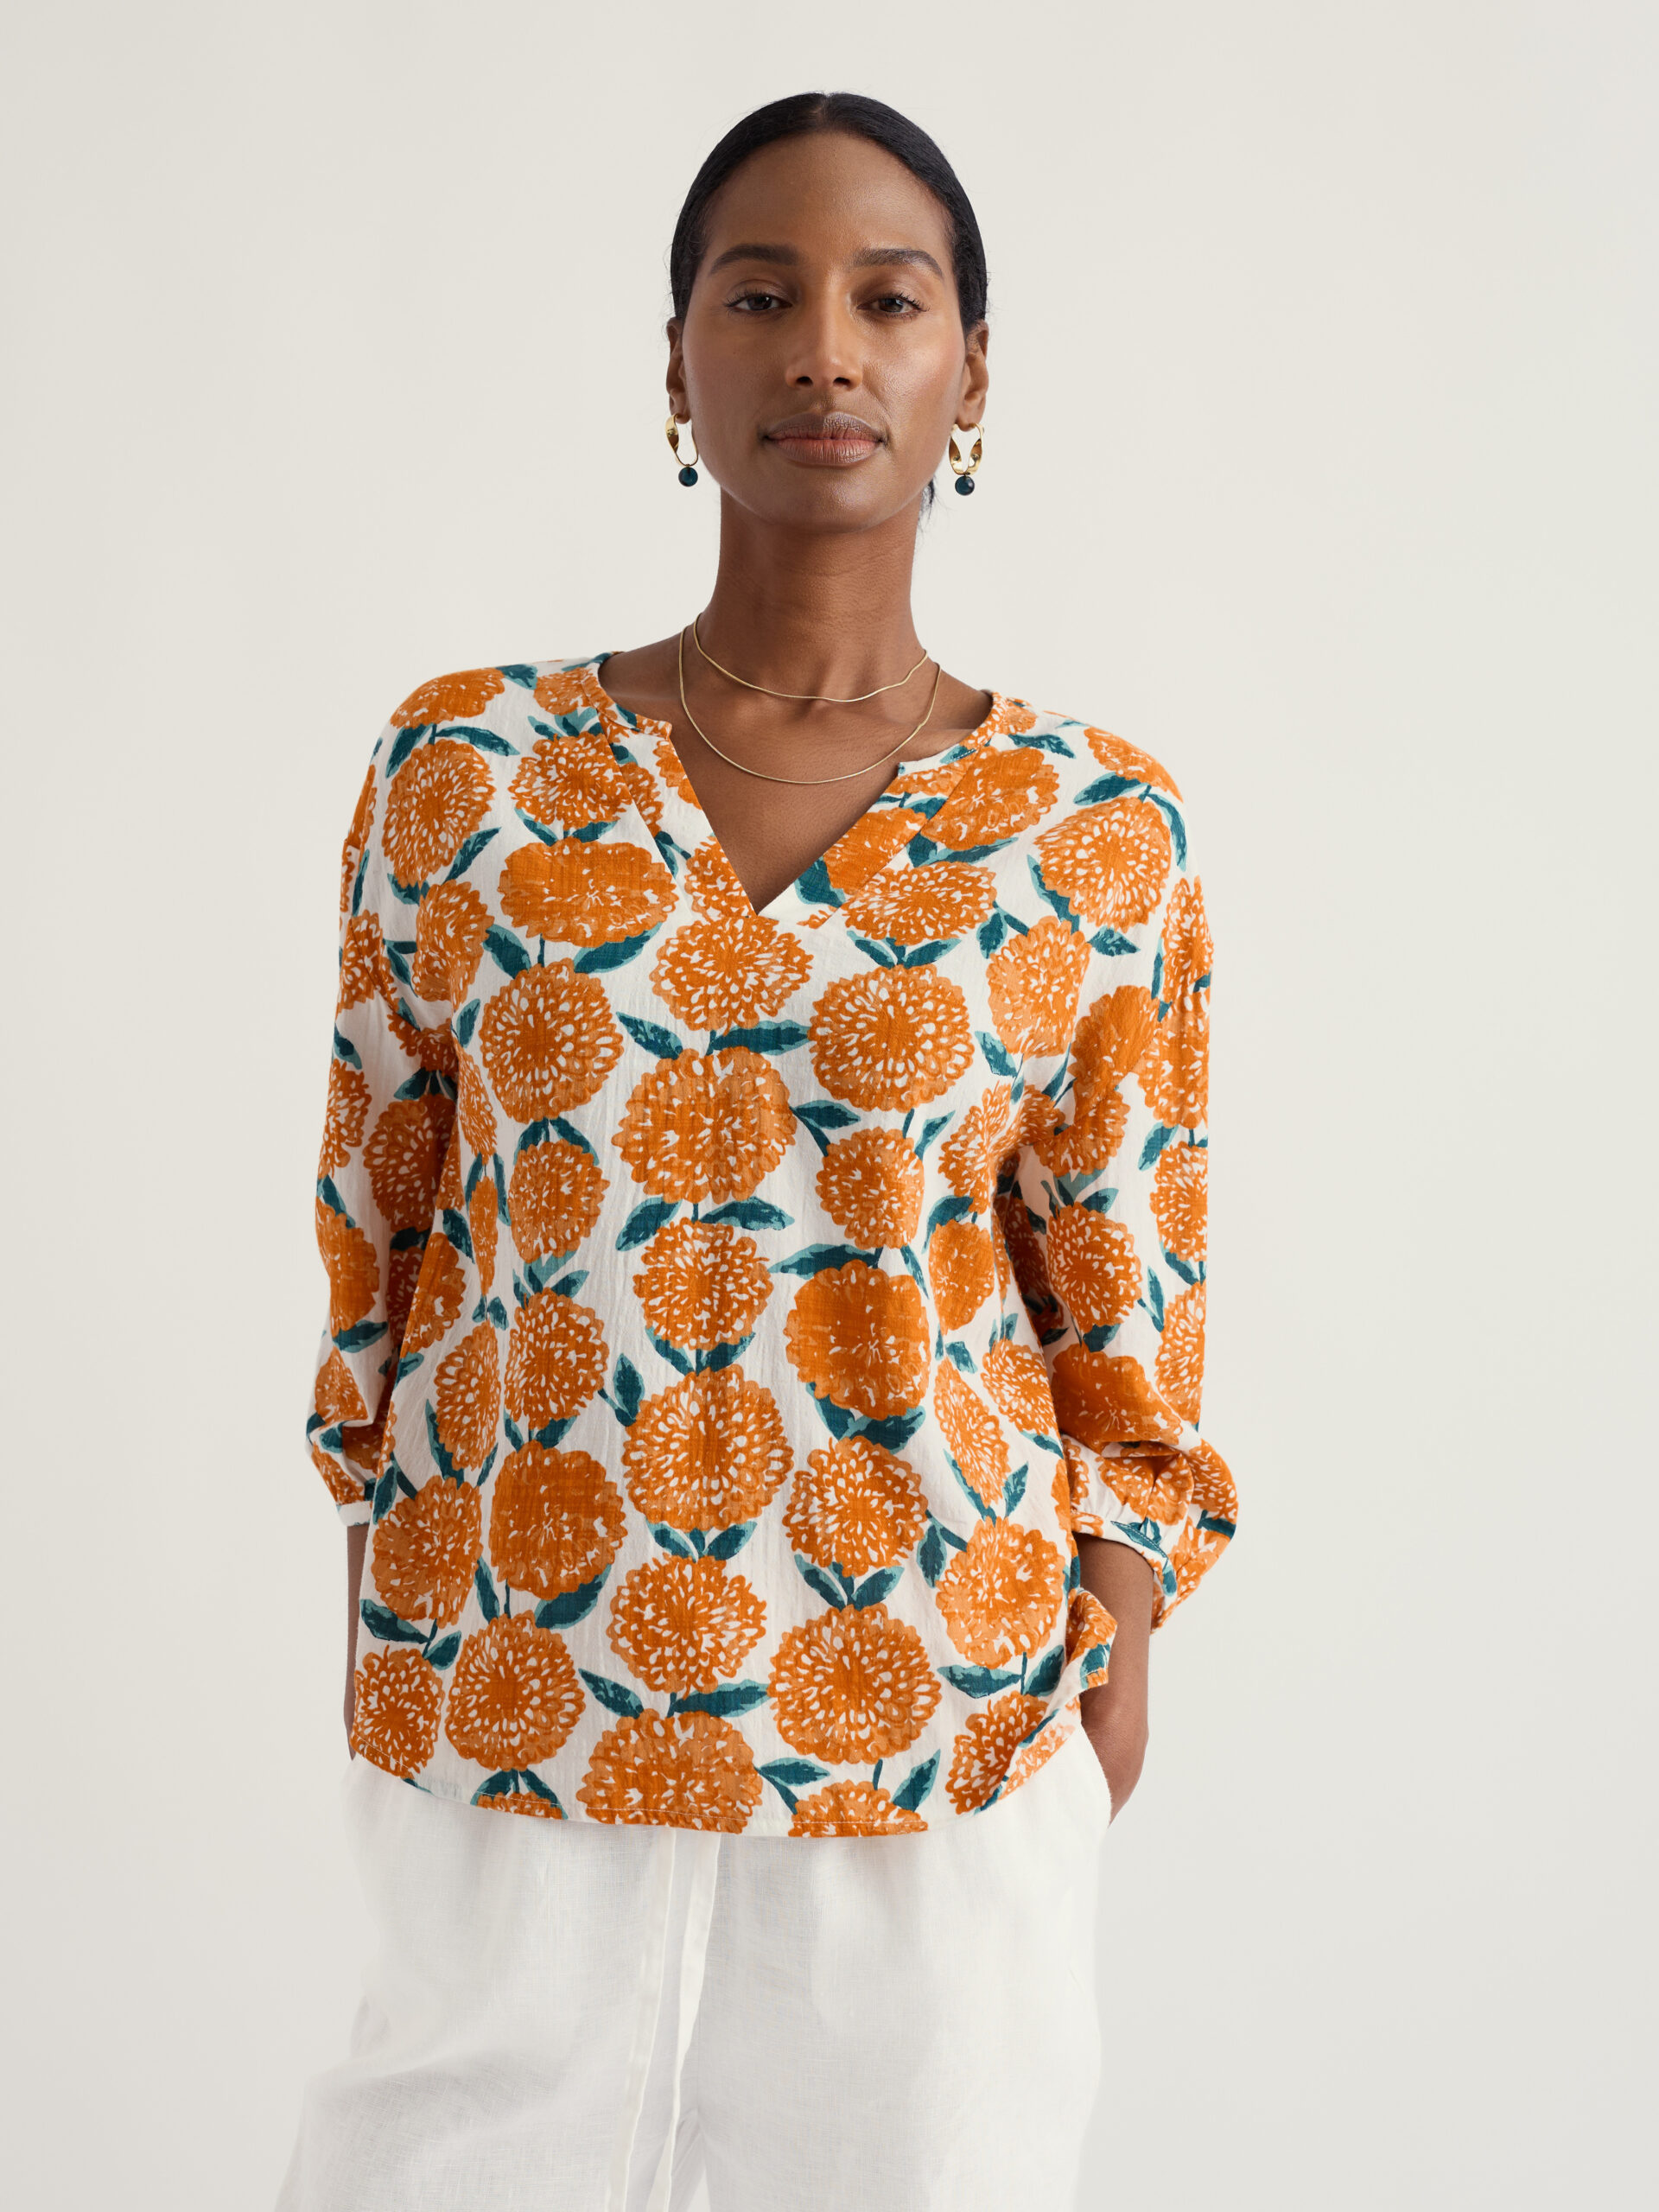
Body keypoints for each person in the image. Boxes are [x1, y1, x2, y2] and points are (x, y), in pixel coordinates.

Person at [279, 89, 1236, 2212]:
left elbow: (1128, 1302)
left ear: (969, 368)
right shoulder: (464, 771)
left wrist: (1110, 1657)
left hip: (941, 1735)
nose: (823, 349)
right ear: (678, 359)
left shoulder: (1099, 829)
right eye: (758, 294)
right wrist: (384, 1567)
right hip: (512, 1703)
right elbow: (383, 1217)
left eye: (890, 299)